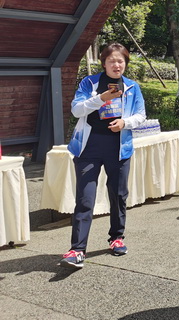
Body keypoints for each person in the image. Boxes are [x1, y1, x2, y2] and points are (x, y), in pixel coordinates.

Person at [59, 43, 146, 269]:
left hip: (119, 148)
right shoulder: (89, 83)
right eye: (112, 61)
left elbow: (141, 116)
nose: (117, 65)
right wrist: (101, 98)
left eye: (120, 61)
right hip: (89, 148)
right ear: (103, 63)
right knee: (85, 198)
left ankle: (116, 238)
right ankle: (77, 250)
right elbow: (76, 110)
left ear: (125, 63)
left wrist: (125, 123)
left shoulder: (132, 86)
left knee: (118, 195)